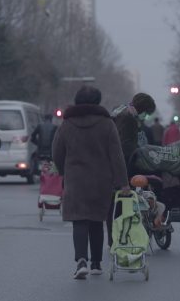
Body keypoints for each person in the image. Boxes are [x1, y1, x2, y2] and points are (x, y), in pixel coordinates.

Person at [52, 86, 129, 280]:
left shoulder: (67, 124)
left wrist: (64, 171)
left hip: (76, 180)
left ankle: (81, 261)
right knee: (97, 221)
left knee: (79, 221)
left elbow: (57, 152)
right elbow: (116, 155)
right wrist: (123, 183)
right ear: (97, 101)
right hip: (101, 180)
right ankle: (96, 263)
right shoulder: (107, 124)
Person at [112, 92, 156, 175]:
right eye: (146, 114)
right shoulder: (129, 118)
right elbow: (126, 145)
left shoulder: (120, 109)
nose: (146, 117)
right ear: (142, 109)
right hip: (122, 165)